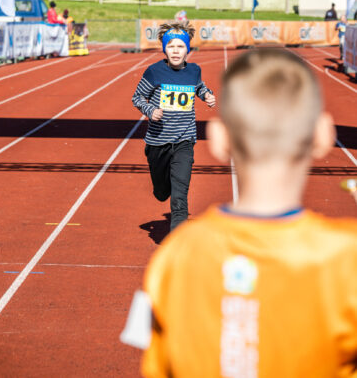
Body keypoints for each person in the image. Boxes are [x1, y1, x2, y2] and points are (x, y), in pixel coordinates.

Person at [123, 48, 356, 377]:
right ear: (323, 136)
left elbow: (153, 359)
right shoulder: (348, 260)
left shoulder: (173, 258)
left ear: (220, 140)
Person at [132, 21, 216, 232]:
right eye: (171, 46)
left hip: (184, 140)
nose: (176, 51)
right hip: (158, 141)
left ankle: (178, 238)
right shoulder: (154, 72)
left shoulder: (194, 70)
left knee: (180, 192)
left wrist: (206, 95)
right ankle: (161, 187)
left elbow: (199, 86)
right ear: (164, 48)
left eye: (180, 47)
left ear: (187, 49)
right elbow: (138, 97)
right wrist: (151, 111)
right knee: (162, 192)